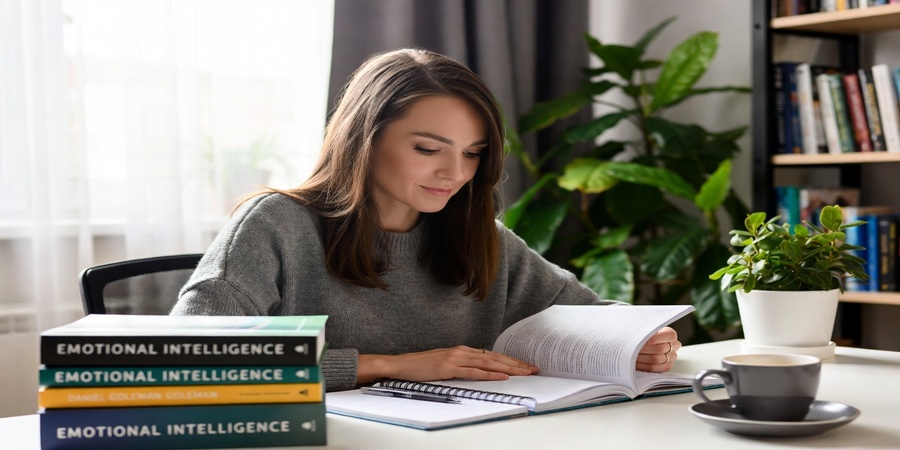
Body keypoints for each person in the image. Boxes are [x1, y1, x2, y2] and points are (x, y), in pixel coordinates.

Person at [171, 48, 681, 392]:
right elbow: (190, 358)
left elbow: (593, 315)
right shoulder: (276, 225)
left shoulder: (479, 237)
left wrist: (641, 342)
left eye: (473, 153)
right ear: (364, 139)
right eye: (427, 149)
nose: (455, 173)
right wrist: (392, 367)